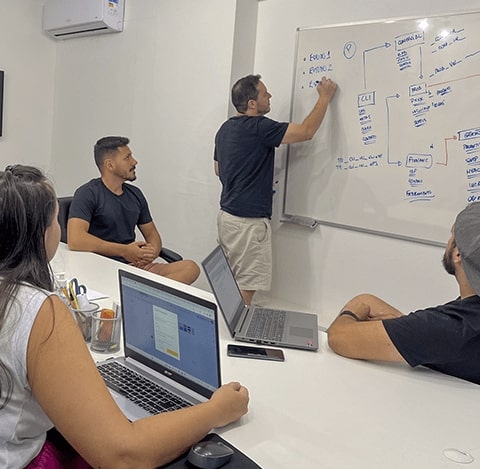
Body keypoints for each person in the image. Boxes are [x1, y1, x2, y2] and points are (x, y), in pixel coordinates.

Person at [0, 164, 249, 468]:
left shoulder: (134, 195)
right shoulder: (37, 310)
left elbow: (153, 237)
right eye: (55, 220)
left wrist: (146, 254)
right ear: (41, 233)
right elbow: (123, 455)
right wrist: (217, 410)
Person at [214, 74, 337, 304]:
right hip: (248, 225)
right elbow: (306, 132)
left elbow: (218, 170)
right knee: (245, 292)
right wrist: (325, 97)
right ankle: (233, 335)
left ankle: (226, 330)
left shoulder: (225, 129)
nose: (269, 97)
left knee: (230, 283)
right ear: (252, 103)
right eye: (264, 93)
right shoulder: (260, 127)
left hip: (227, 219)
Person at [327, 202, 480, 385]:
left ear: (457, 255)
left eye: (451, 235)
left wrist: (359, 304)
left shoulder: (455, 326)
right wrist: (403, 327)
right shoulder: (462, 320)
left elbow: (338, 337)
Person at [68, 136, 200, 285]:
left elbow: (152, 234)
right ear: (109, 165)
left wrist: (151, 253)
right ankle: (149, 292)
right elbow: (75, 240)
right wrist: (124, 251)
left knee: (191, 268)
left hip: (133, 266)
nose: (134, 162)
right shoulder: (88, 193)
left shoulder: (135, 194)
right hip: (102, 266)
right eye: (127, 158)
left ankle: (147, 293)